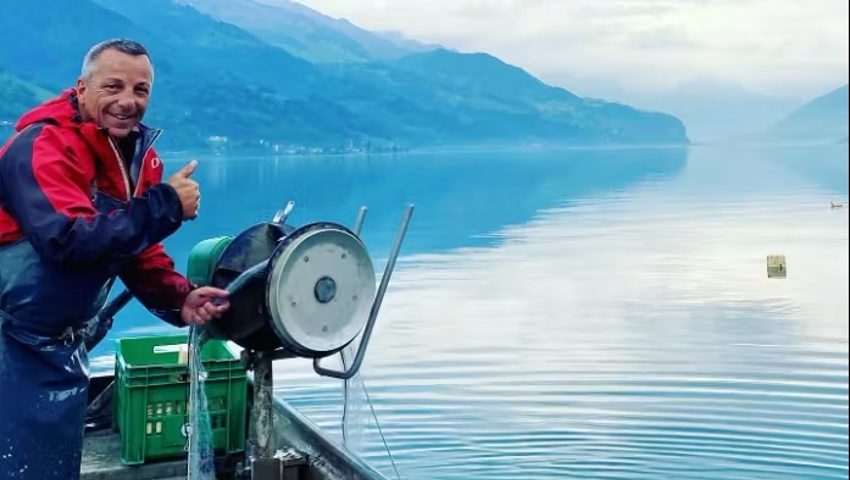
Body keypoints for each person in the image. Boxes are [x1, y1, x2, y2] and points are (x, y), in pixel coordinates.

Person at [0, 39, 230, 479]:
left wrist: (178, 297)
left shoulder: (135, 156)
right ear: (81, 88)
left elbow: (130, 247)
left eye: (141, 90)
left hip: (59, 345)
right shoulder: (43, 147)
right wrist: (164, 206)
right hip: (10, 343)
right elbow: (68, 242)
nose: (128, 102)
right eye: (113, 86)